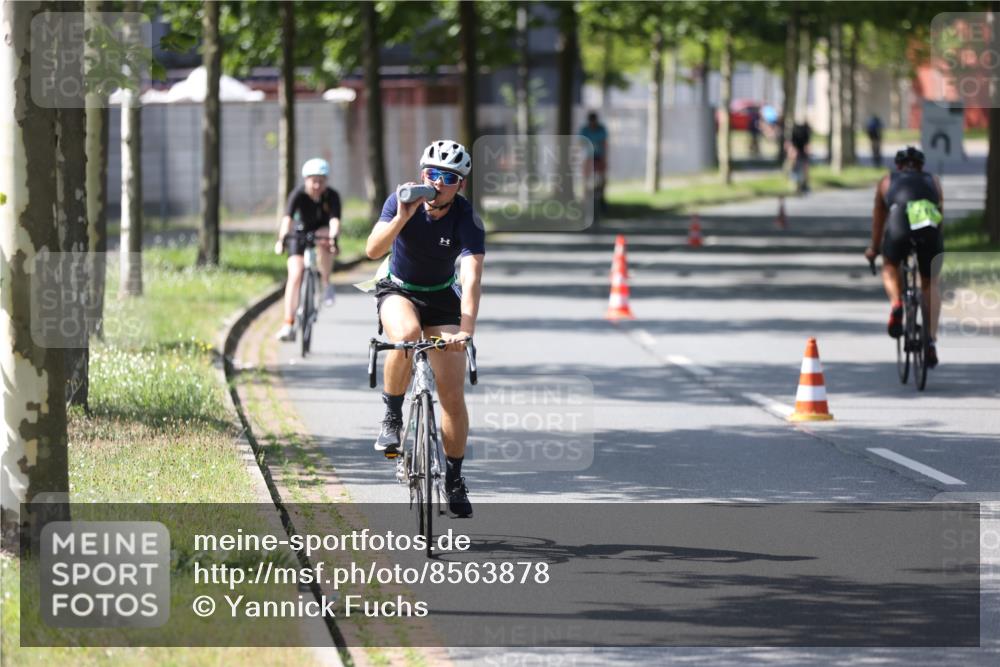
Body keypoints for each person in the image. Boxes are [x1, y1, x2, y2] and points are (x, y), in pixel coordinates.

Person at [366, 139, 485, 518]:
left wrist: (464, 331)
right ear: (422, 174)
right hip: (397, 288)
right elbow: (372, 250)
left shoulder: (466, 218)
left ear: (460, 185)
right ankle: (392, 415)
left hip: (440, 296)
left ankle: (453, 477)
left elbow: (471, 277)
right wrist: (402, 215)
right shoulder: (400, 200)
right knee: (406, 336)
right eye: (431, 174)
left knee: (451, 392)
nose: (437, 183)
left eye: (448, 178)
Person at [864, 146, 944, 368]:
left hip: (899, 223)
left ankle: (897, 304)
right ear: (921, 166)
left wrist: (873, 249)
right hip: (928, 226)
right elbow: (940, 216)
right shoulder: (933, 181)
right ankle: (930, 342)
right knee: (930, 284)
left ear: (898, 166)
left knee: (890, 265)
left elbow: (878, 221)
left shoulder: (887, 181)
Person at [275, 158, 341, 342]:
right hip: (300, 233)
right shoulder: (297, 194)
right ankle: (288, 324)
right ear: (306, 180)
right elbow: (287, 218)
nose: (317, 185)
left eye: (321, 180)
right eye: (314, 180)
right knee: (295, 275)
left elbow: (335, 220)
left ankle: (326, 283)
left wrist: (334, 238)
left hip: (322, 231)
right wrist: (281, 240)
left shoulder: (332, 196)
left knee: (326, 239)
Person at [579, 111, 609, 212]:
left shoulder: (601, 129)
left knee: (602, 178)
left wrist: (604, 159)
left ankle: (602, 198)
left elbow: (604, 144)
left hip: (599, 156)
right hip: (588, 157)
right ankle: (585, 199)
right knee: (585, 179)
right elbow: (580, 145)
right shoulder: (584, 130)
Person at [788, 120, 811, 193]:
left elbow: (806, 144)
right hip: (798, 152)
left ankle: (802, 184)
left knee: (801, 169)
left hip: (800, 152)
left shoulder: (803, 130)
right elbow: (792, 143)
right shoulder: (796, 130)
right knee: (797, 168)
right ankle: (798, 184)